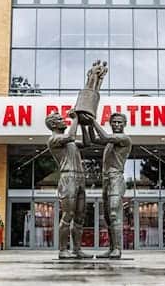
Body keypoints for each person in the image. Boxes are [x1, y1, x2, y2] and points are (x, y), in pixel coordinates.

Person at [89, 112, 132, 259]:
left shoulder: (124, 139)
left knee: (114, 213)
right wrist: (86, 124)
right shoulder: (109, 143)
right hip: (106, 180)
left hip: (116, 179)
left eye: (120, 122)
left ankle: (118, 249)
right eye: (114, 122)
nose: (117, 125)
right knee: (107, 217)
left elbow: (104, 136)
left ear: (125, 124)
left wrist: (93, 120)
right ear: (110, 124)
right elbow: (93, 139)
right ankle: (111, 248)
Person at [46, 109, 87, 259]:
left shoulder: (70, 142)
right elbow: (70, 135)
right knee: (68, 214)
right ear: (53, 124)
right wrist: (75, 118)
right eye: (60, 119)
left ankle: (77, 249)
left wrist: (84, 124)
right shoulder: (55, 139)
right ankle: (63, 250)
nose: (64, 120)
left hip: (80, 178)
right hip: (68, 177)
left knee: (80, 217)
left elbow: (87, 142)